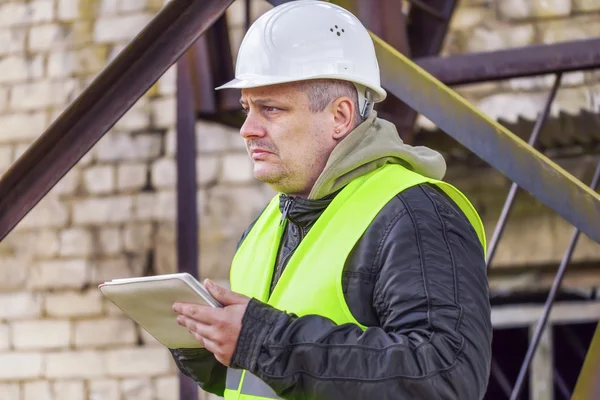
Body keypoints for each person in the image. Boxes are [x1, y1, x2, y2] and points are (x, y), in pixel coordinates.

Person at [170, 1, 492, 399]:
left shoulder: (416, 213)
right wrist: (209, 347)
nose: (248, 130)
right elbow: (270, 380)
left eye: (270, 109)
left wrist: (267, 341)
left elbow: (446, 378)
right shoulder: (268, 224)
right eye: (247, 109)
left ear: (340, 116)